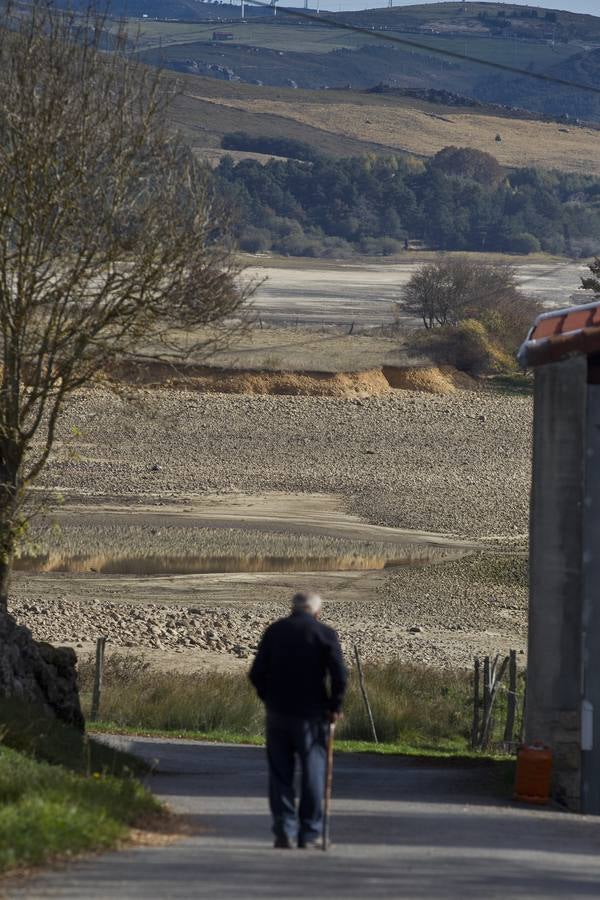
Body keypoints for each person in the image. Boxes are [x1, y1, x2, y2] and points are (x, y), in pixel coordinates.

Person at [249, 590, 347, 850]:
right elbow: (340, 676)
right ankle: (309, 832)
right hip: (312, 714)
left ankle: (284, 829)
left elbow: (257, 672)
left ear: (292, 608)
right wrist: (334, 706)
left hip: (278, 712)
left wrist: (267, 697)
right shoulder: (325, 634)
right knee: (313, 772)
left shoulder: (275, 631)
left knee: (280, 773)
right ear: (317, 611)